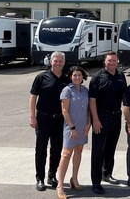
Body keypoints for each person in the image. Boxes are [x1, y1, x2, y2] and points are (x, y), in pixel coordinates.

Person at [29, 51, 70, 192]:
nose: (58, 63)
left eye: (60, 61)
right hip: (43, 118)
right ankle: (39, 178)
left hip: (59, 119)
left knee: (56, 149)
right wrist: (32, 116)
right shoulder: (41, 77)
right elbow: (33, 97)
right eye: (55, 61)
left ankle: (52, 176)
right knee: (41, 149)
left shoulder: (67, 78)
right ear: (51, 61)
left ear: (64, 62)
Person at [89, 51, 127, 194]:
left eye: (114, 60)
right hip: (101, 116)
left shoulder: (120, 75)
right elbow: (92, 101)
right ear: (104, 62)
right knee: (98, 150)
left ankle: (107, 174)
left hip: (116, 116)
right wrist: (95, 120)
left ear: (118, 61)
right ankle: (96, 182)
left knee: (110, 148)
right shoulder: (97, 77)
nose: (112, 63)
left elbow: (125, 96)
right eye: (109, 60)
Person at [56, 66, 91, 199]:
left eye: (80, 75)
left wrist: (89, 123)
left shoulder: (85, 90)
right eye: (75, 75)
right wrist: (72, 128)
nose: (77, 77)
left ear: (83, 77)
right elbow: (64, 111)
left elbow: (88, 109)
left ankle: (74, 179)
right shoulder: (67, 90)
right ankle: (60, 185)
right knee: (66, 154)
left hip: (83, 127)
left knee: (79, 151)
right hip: (71, 127)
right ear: (71, 76)